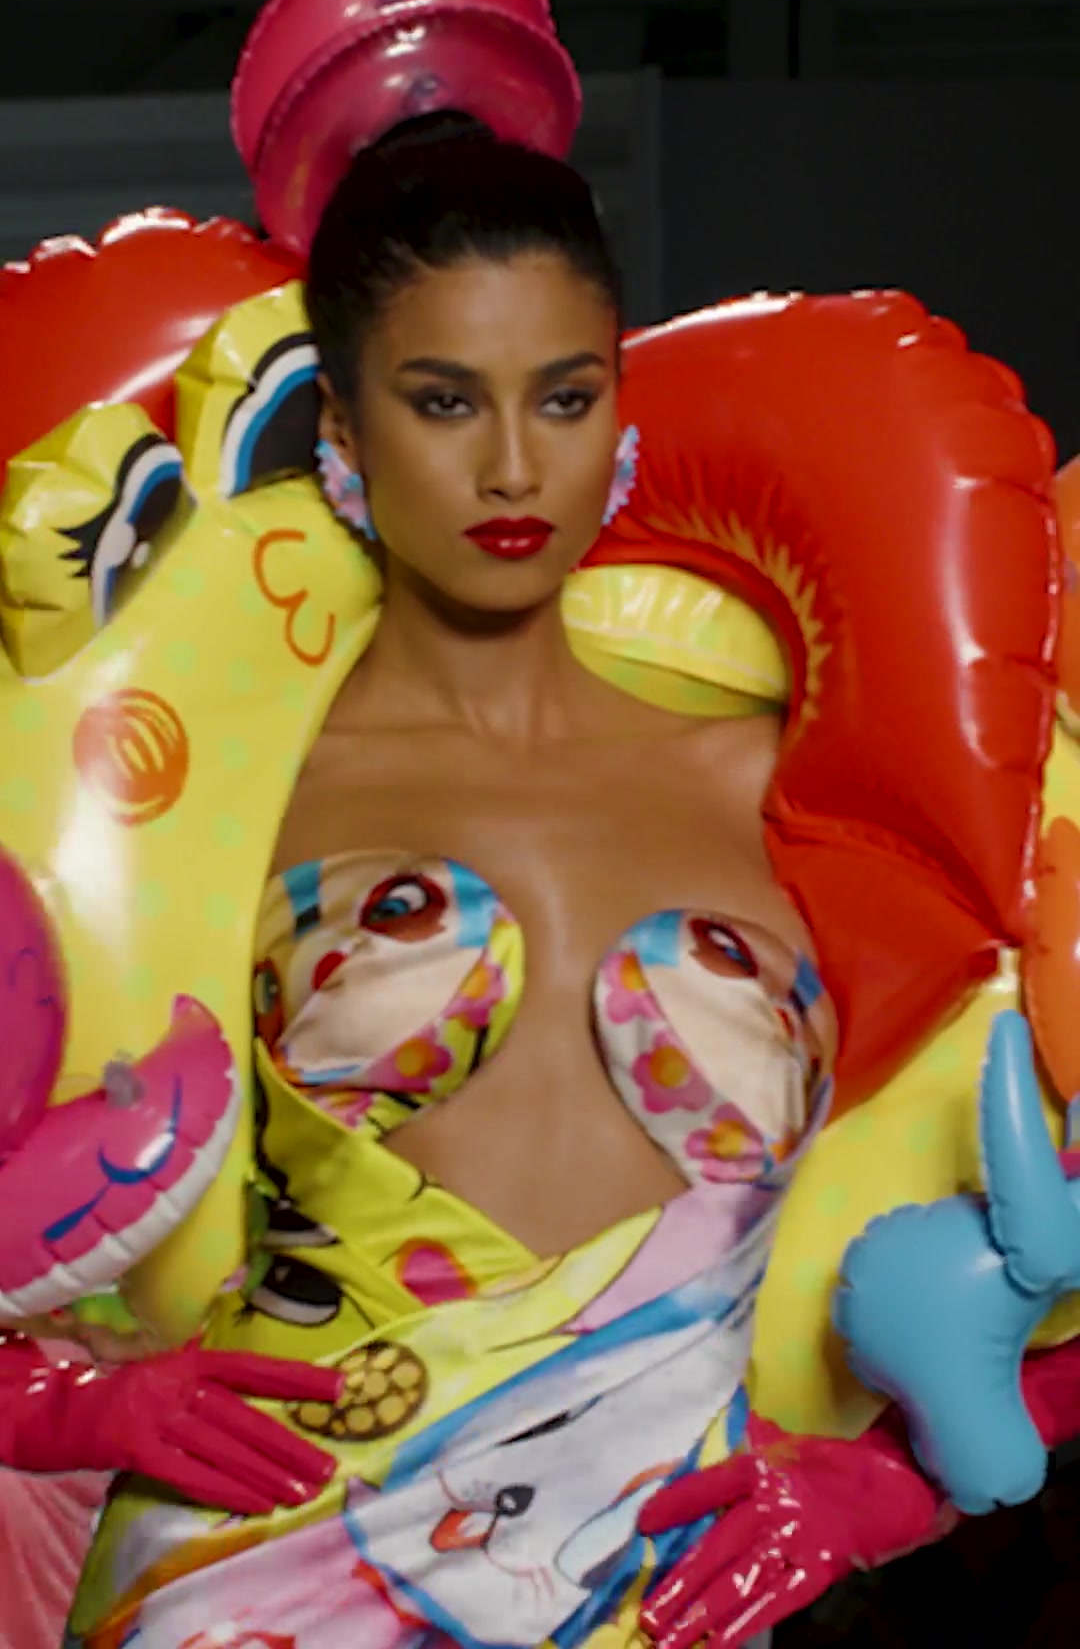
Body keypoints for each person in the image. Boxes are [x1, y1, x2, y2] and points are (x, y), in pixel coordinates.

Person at [62, 111, 835, 1648]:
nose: (511, 464)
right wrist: (62, 1400)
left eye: (564, 396)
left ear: (620, 414)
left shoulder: (782, 781)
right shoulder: (231, 788)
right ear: (344, 438)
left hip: (659, 1586)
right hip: (265, 1569)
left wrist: (897, 1482)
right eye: (442, 401)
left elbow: (1015, 1193)